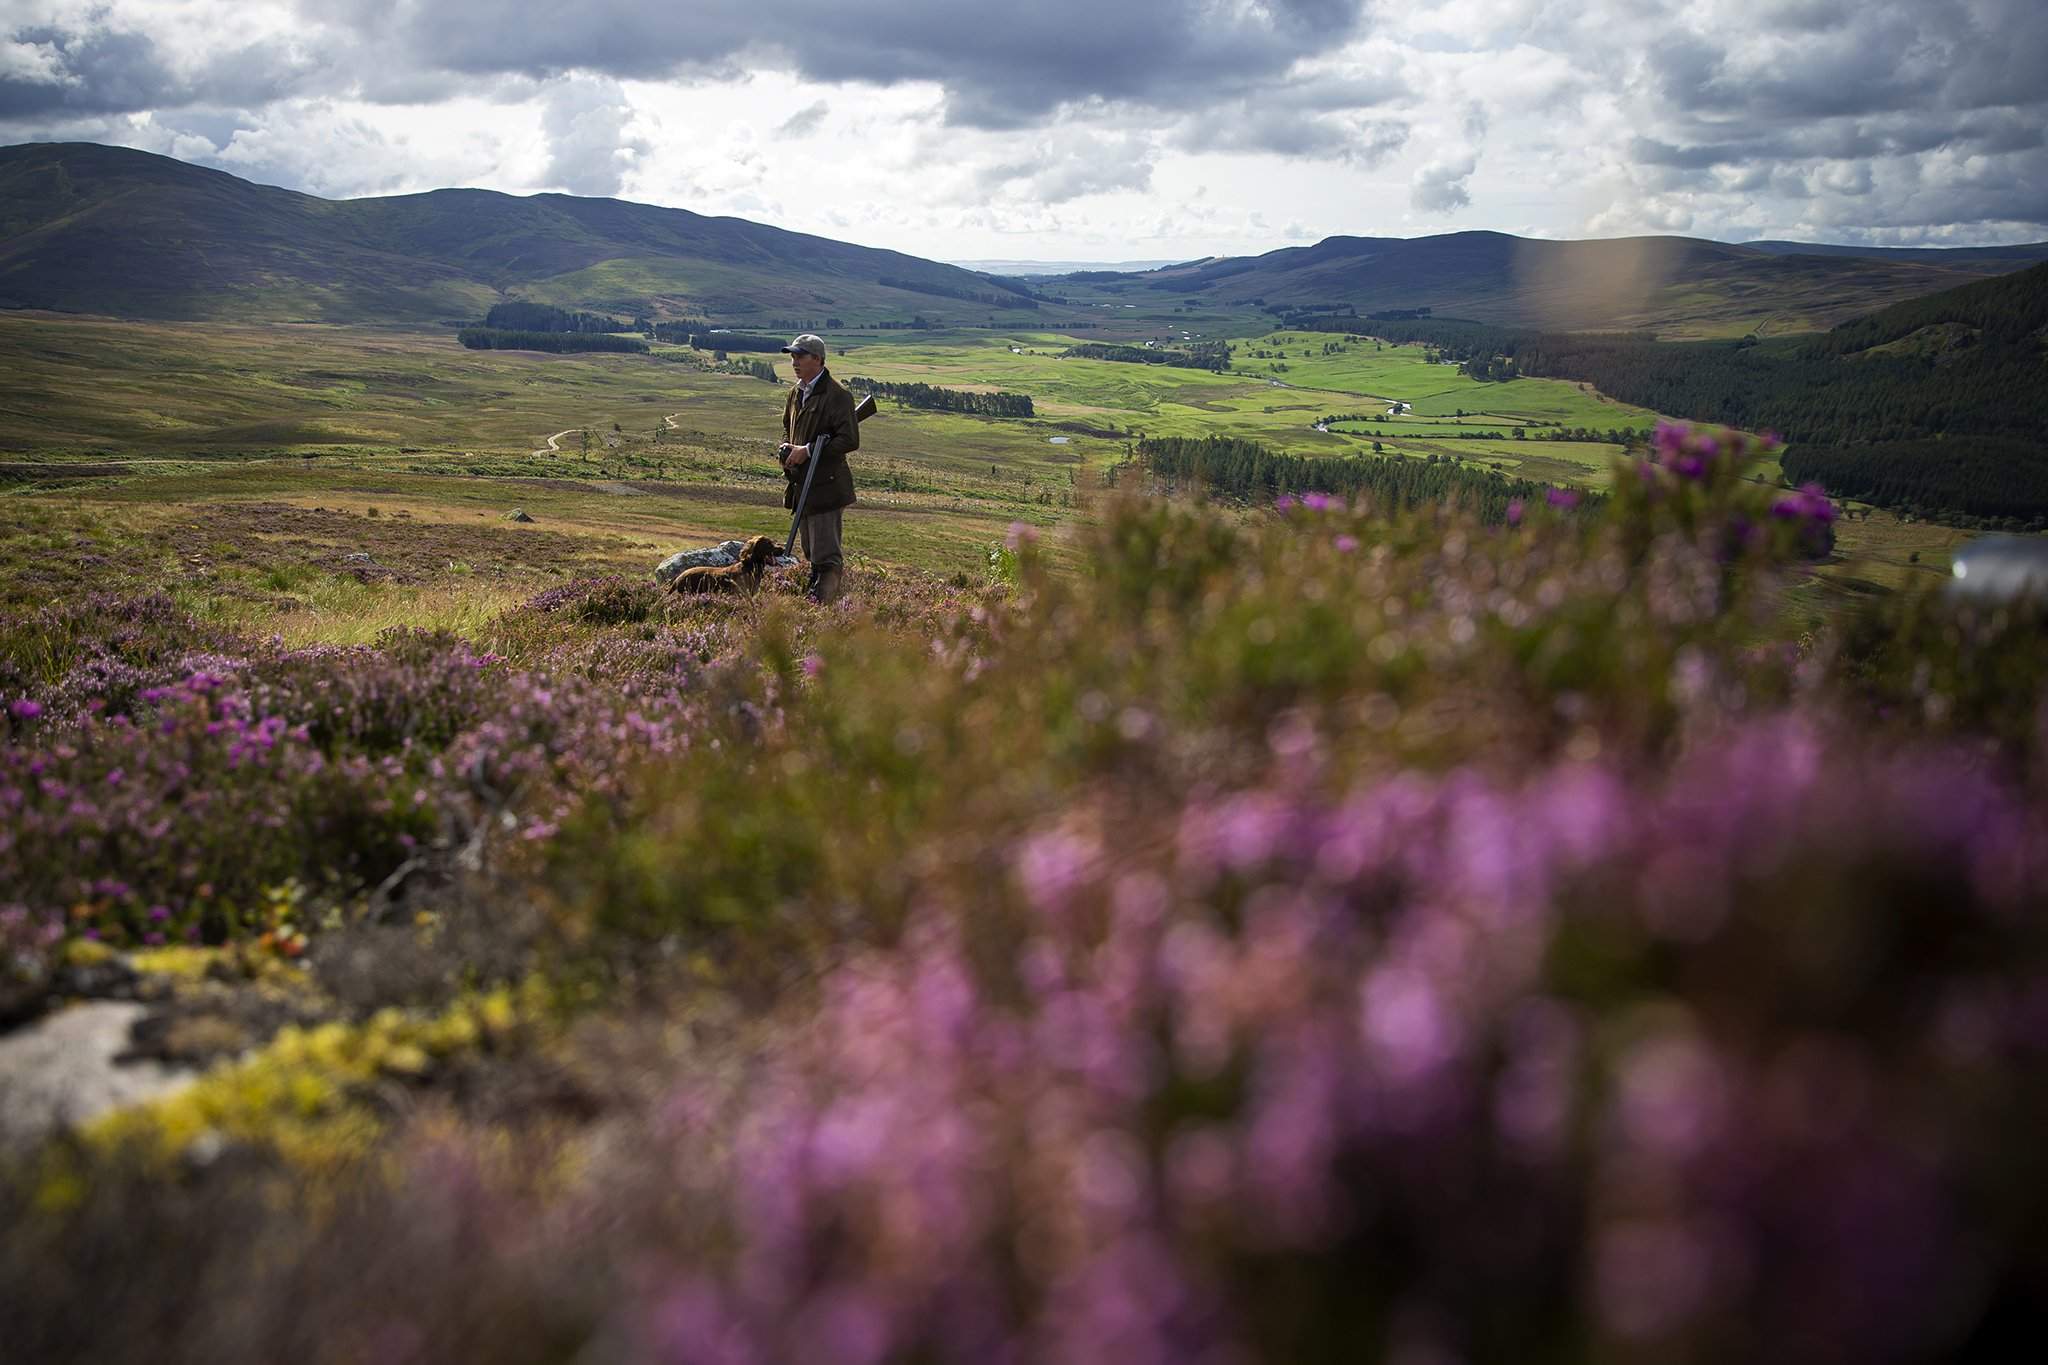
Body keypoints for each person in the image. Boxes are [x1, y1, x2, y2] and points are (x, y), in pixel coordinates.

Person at [776, 332, 860, 604]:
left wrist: (808, 451)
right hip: (802, 484)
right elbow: (788, 430)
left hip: (826, 485)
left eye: (800, 356)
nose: (794, 361)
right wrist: (788, 450)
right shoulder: (795, 393)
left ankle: (824, 604)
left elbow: (849, 440)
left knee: (826, 554)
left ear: (818, 359)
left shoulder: (838, 395)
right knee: (811, 549)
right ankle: (817, 596)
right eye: (792, 356)